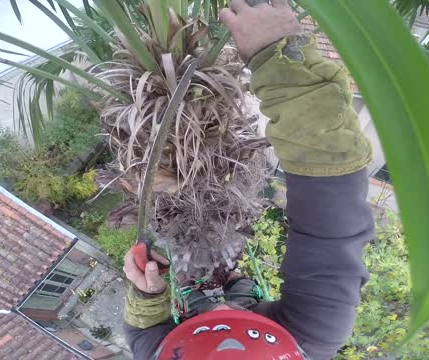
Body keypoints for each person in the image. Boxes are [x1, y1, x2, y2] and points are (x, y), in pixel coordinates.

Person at [122, 1, 374, 359]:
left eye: (208, 324)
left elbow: (142, 330)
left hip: (219, 323)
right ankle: (239, 289)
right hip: (267, 319)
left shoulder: (157, 351)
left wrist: (147, 297)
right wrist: (281, 61)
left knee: (199, 298)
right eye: (235, 320)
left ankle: (214, 297)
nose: (220, 314)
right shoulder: (317, 333)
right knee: (240, 292)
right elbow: (332, 211)